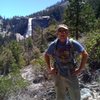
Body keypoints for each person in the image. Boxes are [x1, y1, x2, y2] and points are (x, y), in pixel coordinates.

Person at [44, 24, 88, 100]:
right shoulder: (53, 45)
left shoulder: (72, 43)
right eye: (60, 31)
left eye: (65, 31)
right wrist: (50, 68)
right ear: (57, 33)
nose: (62, 33)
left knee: (76, 96)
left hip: (71, 73)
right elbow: (46, 55)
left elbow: (85, 54)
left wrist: (80, 69)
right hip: (58, 74)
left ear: (68, 33)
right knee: (60, 96)